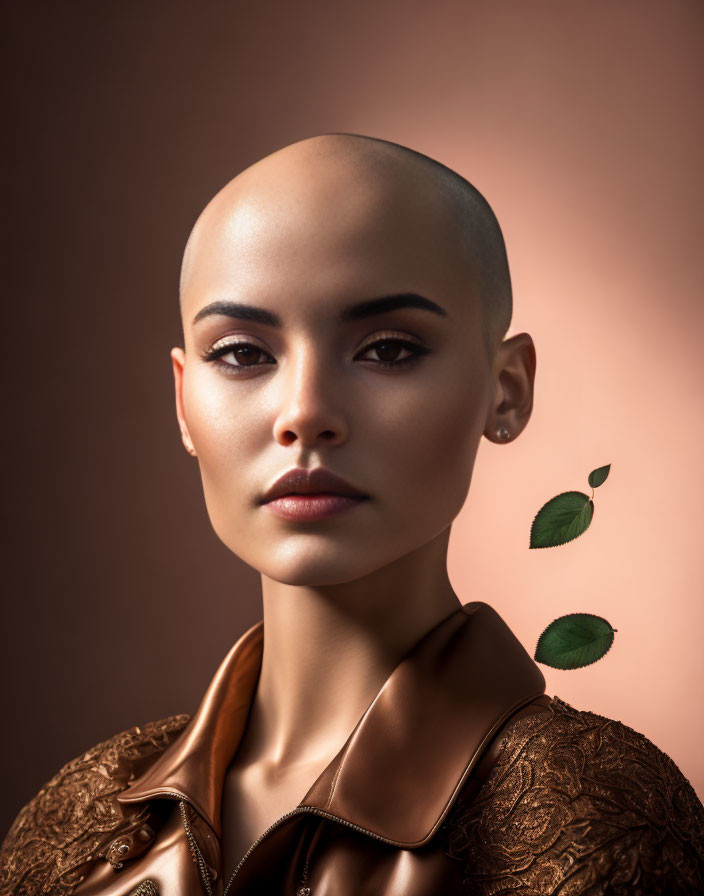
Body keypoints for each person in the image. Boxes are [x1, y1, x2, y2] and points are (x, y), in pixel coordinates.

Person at [1, 133, 702, 896]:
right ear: (182, 401)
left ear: (507, 390)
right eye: (240, 353)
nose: (305, 413)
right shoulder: (76, 825)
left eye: (389, 350)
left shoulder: (597, 818)